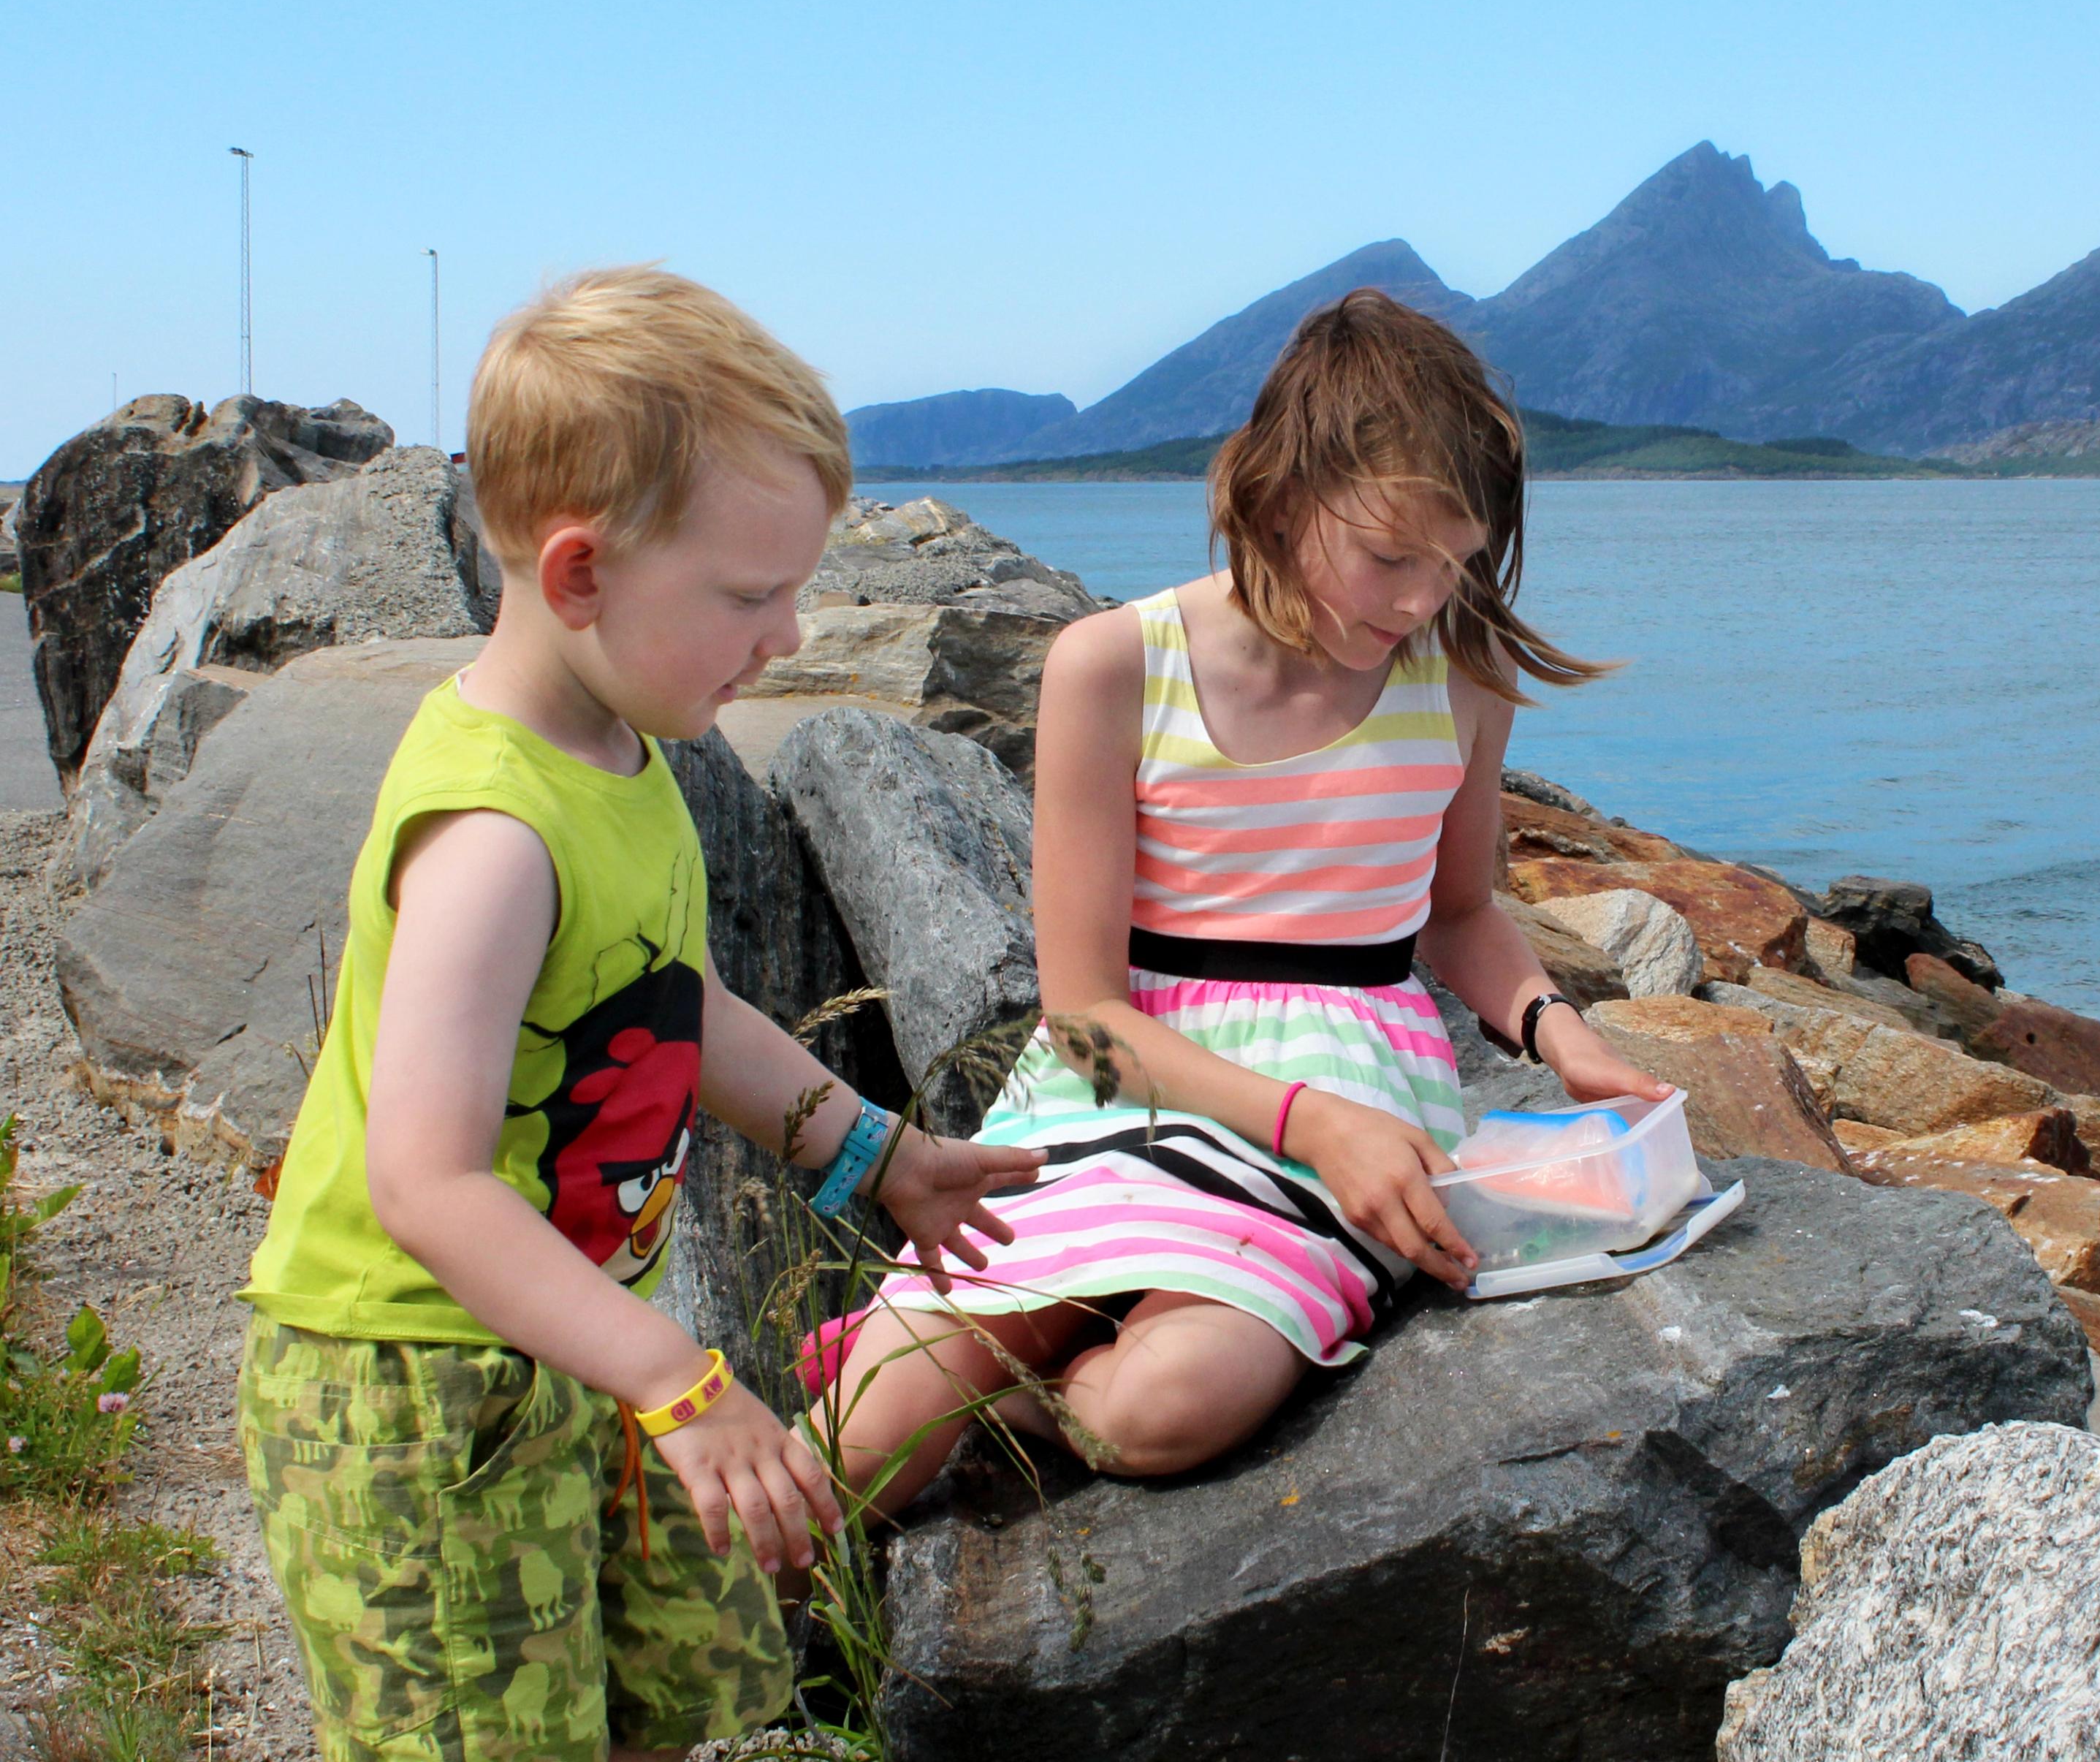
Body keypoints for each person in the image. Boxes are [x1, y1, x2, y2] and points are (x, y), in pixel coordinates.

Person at [235, 266, 1044, 1762]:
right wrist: (683, 1383)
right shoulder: (492, 836)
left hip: (589, 1343)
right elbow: (425, 1182)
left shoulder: (618, 745)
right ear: (581, 572)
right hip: (424, 1393)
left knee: (656, 1697)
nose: (792, 633)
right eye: (748, 595)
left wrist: (876, 1153)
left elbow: (678, 1007)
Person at [808, 288, 1667, 1514]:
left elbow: (1460, 912)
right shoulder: (1114, 664)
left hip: (1358, 1090)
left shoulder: (1461, 679)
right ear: (1278, 489)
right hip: (1122, 1083)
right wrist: (1304, 1122)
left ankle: (1017, 1391)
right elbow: (1086, 1019)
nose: (1424, 600)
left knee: (1159, 1412)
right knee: (859, 1440)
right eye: (1390, 557)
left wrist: (1559, 1034)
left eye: (1455, 564)